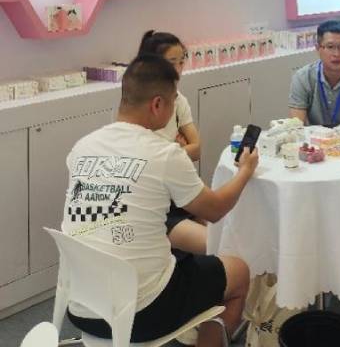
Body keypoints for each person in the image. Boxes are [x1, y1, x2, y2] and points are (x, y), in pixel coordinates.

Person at [61, 55, 257, 347]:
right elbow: (215, 210)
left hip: (80, 305)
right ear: (157, 104)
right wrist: (245, 172)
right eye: (173, 101)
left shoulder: (83, 146)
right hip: (142, 313)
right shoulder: (163, 154)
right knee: (239, 273)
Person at [137, 30, 206, 255]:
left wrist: (173, 151)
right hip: (152, 198)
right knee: (211, 241)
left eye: (181, 61)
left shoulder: (179, 100)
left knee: (215, 230)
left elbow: (197, 149)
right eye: (171, 62)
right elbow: (145, 160)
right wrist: (177, 148)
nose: (177, 69)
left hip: (178, 187)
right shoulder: (136, 104)